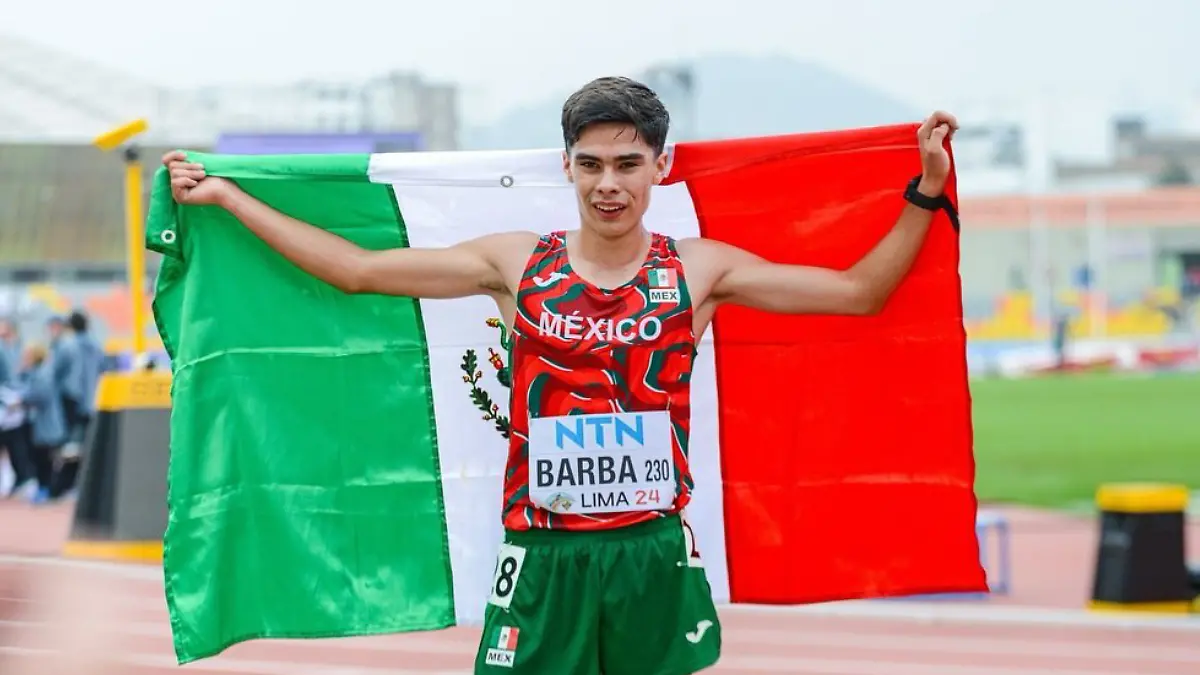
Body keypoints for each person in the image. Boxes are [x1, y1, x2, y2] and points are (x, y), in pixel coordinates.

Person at [163, 76, 958, 675]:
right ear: (567, 167)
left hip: (648, 551)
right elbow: (359, 270)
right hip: (543, 554)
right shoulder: (517, 263)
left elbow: (859, 293)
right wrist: (229, 198)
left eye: (628, 163)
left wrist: (925, 190)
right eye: (591, 164)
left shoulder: (699, 271)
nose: (609, 183)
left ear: (660, 167)